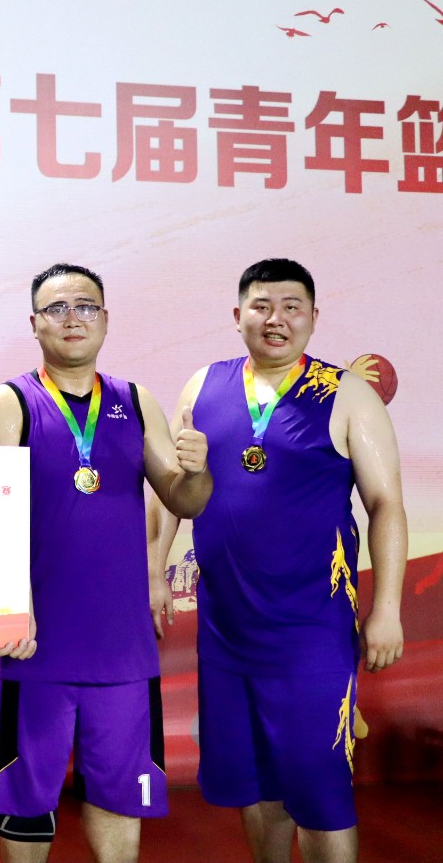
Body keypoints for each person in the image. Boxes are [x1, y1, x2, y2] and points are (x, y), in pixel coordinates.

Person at [156, 258, 406, 863]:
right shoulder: (203, 386)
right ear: (238, 314)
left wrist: (388, 610)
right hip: (226, 630)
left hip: (311, 632)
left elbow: (387, 505)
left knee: (319, 792)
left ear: (313, 317)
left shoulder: (347, 394)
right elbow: (171, 489)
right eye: (262, 306)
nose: (276, 319)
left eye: (292, 307)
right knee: (256, 786)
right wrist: (152, 568)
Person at [0, 262, 210, 863]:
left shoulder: (136, 400)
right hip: (38, 640)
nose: (72, 318)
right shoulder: (9, 402)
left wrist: (196, 469)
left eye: (85, 306)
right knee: (27, 800)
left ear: (105, 319)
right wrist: (12, 606)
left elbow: (184, 500)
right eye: (57, 308)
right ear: (34, 323)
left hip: (122, 645)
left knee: (120, 797)